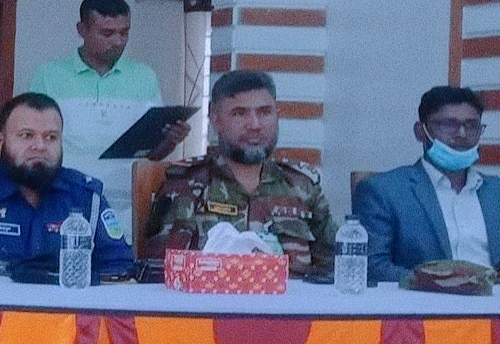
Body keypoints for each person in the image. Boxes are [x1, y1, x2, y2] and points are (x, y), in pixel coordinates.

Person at [145, 70, 334, 277]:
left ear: (277, 115)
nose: (254, 125)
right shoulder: (185, 185)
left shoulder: (302, 186)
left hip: (290, 296)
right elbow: (162, 273)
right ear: (215, 120)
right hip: (212, 296)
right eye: (239, 113)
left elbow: (338, 266)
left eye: (264, 112)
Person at [0, 92, 135, 276]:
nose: (40, 146)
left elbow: (120, 266)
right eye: (26, 135)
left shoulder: (86, 196)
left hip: (65, 307)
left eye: (51, 137)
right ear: (0, 142)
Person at [28, 0, 189, 212]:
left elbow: (152, 155)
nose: (117, 41)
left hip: (127, 204)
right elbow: (33, 142)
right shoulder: (49, 76)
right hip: (62, 197)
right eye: (107, 33)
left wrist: (170, 141)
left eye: (124, 33)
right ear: (81, 30)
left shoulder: (144, 77)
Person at [354, 86, 500, 282]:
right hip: (422, 298)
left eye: (472, 125)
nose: (462, 133)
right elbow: (372, 267)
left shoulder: (495, 192)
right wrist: (445, 285)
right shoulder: (383, 191)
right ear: (420, 131)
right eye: (449, 124)